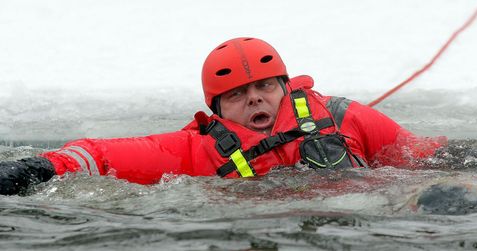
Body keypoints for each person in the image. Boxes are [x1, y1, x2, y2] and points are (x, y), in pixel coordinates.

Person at [0, 37, 446, 195]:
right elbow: (100, 155)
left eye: (264, 87)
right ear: (216, 109)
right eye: (236, 95)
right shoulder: (195, 149)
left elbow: (428, 156)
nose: (255, 100)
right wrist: (36, 167)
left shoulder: (342, 117)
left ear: (285, 88)